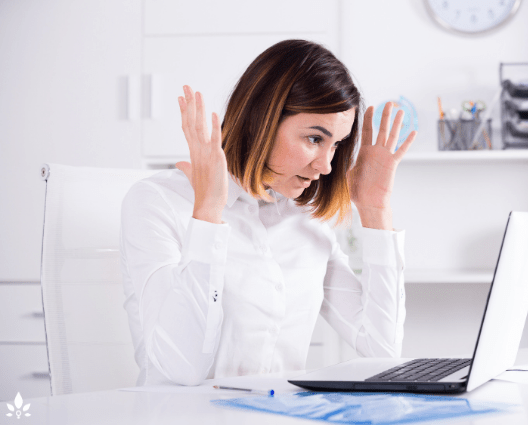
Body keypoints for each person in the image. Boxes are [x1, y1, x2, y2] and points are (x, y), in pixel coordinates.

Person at [120, 39, 417, 386]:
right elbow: (181, 370)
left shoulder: (305, 221)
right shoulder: (158, 202)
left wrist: (375, 210)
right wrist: (209, 212)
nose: (325, 165)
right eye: (314, 139)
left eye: (336, 145)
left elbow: (382, 349)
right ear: (261, 119)